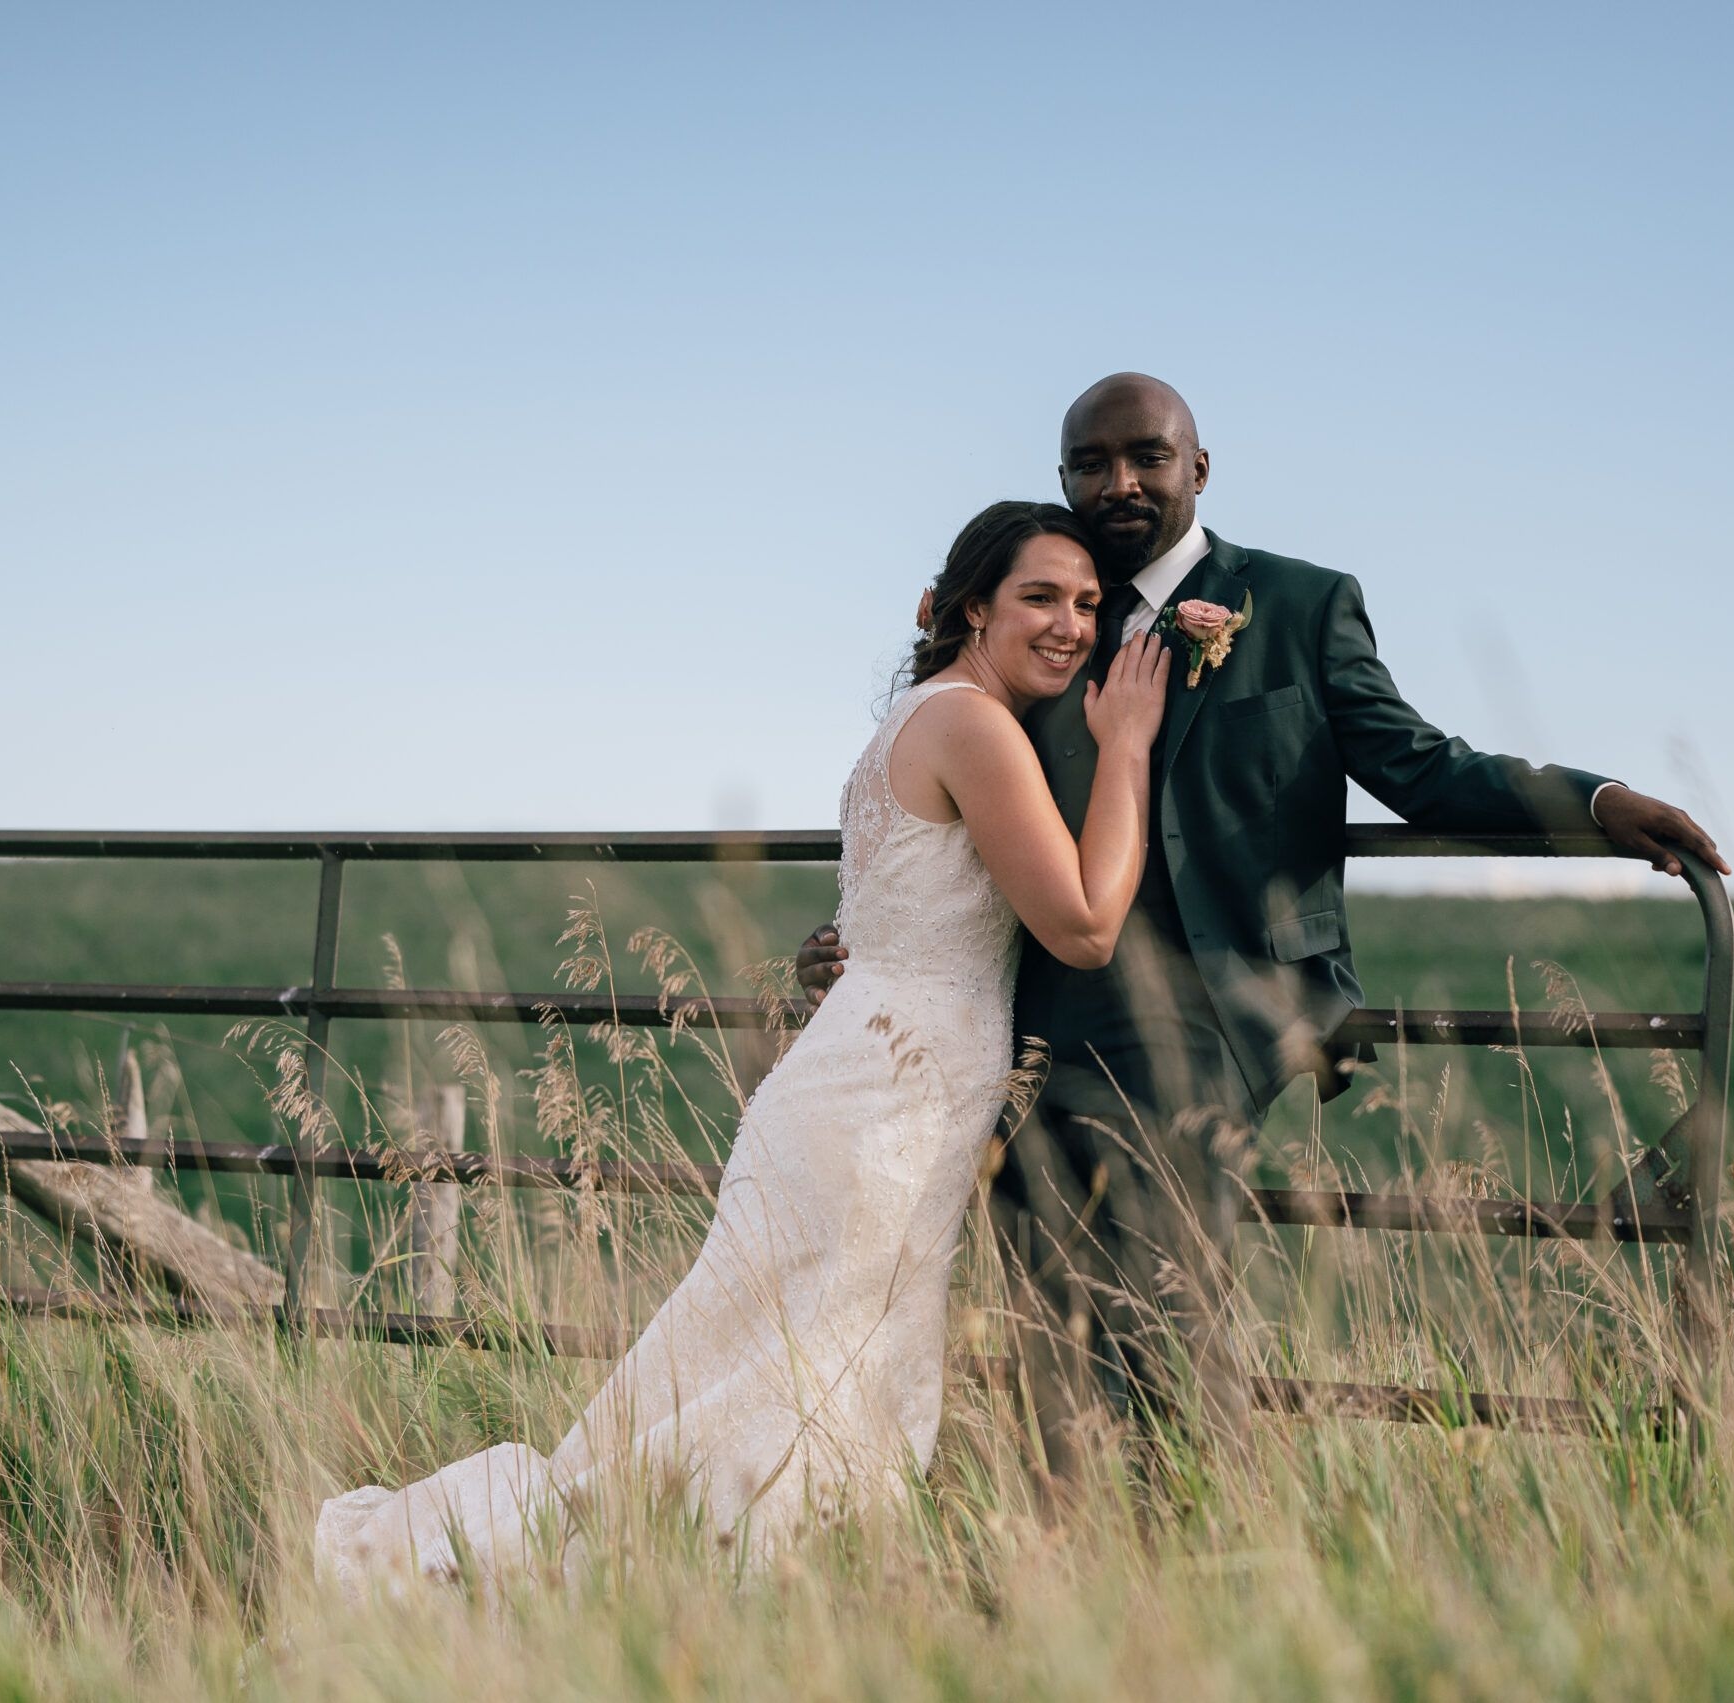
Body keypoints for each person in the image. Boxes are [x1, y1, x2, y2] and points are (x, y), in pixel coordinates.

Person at [796, 373, 1728, 1475]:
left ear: (1199, 466)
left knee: (1155, 1276)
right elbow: (962, 807)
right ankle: (1082, 1531)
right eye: (1091, 465)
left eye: (1147, 455)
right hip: (1043, 1002)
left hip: (1224, 998)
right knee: (1051, 1285)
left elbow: (1420, 766)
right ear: (1062, 481)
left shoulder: (1297, 602)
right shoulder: (1051, 625)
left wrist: (1594, 801)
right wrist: (882, 939)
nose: (1121, 481)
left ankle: (1207, 1519)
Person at [316, 501, 1173, 1597]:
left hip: (856, 1090)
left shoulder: (919, 716)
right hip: (884, 1116)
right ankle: (621, 1582)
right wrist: (1129, 747)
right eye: (1041, 597)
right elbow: (1085, 924)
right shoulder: (976, 727)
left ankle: (628, 1577)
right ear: (973, 606)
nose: (1070, 623)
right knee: (807, 1376)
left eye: (1089, 603)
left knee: (744, 1365)